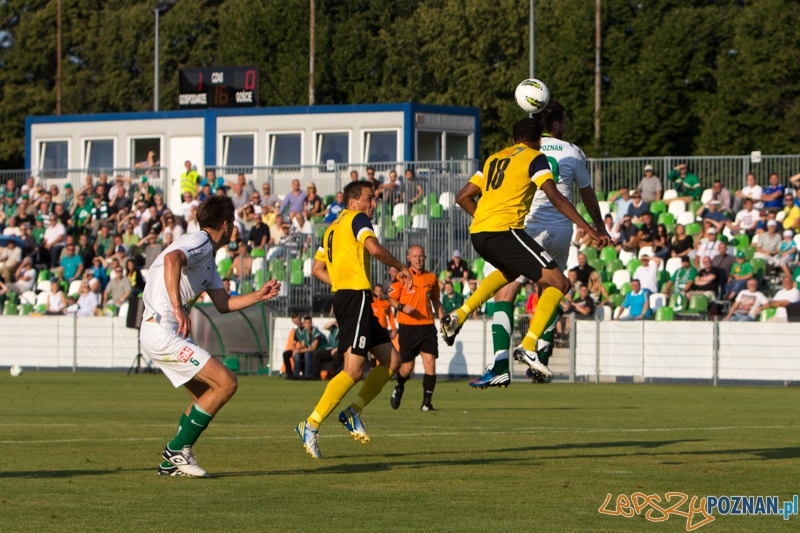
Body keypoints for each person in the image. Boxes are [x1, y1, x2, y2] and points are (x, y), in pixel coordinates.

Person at [440, 114, 608, 390]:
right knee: (560, 283)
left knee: (509, 273)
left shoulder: (493, 158)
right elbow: (554, 195)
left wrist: (484, 220)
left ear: (513, 139)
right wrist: (589, 229)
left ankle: (460, 313)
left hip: (479, 233)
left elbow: (462, 197)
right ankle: (529, 345)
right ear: (538, 140)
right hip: (507, 232)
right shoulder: (534, 156)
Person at [139, 195, 281, 478]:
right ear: (226, 225)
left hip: (162, 332)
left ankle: (170, 464)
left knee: (206, 394)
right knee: (226, 383)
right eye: (235, 222)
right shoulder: (201, 242)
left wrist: (258, 296)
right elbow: (171, 259)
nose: (236, 228)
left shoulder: (208, 257)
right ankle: (176, 450)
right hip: (163, 331)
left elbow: (222, 304)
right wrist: (178, 309)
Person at [297, 180, 412, 459]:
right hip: (355, 299)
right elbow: (373, 248)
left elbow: (316, 269)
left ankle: (353, 411)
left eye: (374, 199)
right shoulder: (357, 219)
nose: (373, 204)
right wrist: (399, 266)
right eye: (369, 199)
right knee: (353, 370)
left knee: (392, 361)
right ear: (353, 202)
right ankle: (310, 424)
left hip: (352, 298)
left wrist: (341, 284)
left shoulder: (332, 230)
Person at [388, 245, 443, 411]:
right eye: (415, 256)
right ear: (408, 258)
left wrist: (442, 319)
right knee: (407, 368)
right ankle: (399, 386)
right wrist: (402, 307)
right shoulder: (401, 277)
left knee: (430, 364)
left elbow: (436, 300)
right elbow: (391, 299)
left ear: (425, 258)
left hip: (427, 327)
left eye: (421, 256)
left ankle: (426, 403)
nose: (418, 259)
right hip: (408, 327)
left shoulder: (432, 278)